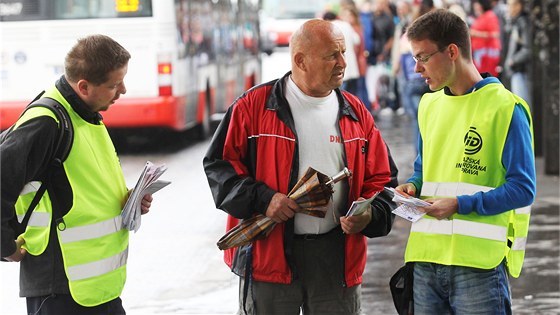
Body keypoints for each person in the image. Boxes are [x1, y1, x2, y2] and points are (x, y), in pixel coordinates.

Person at [204, 19, 398, 315]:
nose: (343, 62)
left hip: (337, 259)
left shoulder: (357, 113)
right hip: (269, 257)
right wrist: (264, 199)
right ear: (300, 60)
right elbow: (220, 167)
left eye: (344, 52)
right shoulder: (253, 107)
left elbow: (383, 179)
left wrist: (370, 214)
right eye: (332, 55)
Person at [1, 34, 154, 314]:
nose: (123, 90)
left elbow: (85, 185)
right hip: (61, 291)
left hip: (98, 291)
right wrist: (4, 245)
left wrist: (128, 201)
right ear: (83, 86)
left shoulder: (85, 115)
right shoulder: (46, 122)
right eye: (114, 84)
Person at [395, 9, 536, 314]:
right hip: (425, 258)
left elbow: (523, 189)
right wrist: (412, 185)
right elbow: (424, 168)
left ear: (452, 52)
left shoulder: (505, 108)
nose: (416, 68)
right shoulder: (428, 104)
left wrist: (460, 204)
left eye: (423, 57)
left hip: (478, 266)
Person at [503, 0, 532, 107]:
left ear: (520, 5)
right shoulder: (514, 22)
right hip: (514, 72)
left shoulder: (523, 22)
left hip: (520, 71)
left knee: (522, 107)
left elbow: (527, 50)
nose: (510, 8)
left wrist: (513, 60)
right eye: (509, 5)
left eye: (513, 5)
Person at [470, 0, 502, 77]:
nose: (475, 7)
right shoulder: (480, 17)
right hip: (480, 54)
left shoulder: (490, 16)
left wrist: (476, 34)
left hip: (488, 54)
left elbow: (495, 34)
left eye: (477, 5)